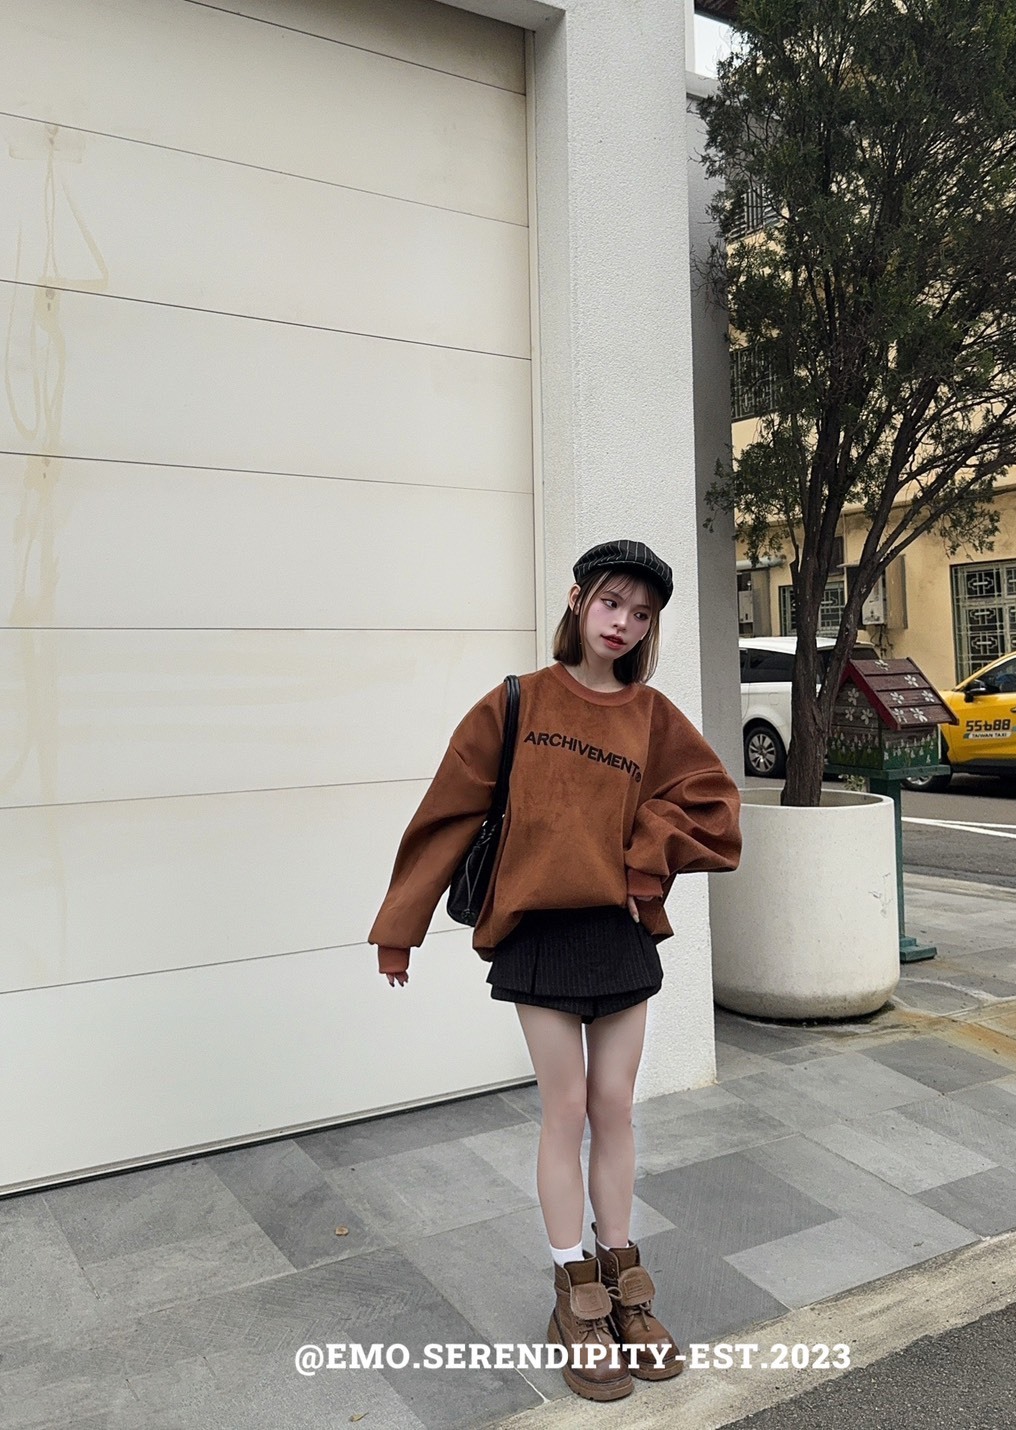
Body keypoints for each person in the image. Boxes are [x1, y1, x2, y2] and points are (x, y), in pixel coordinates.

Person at [367, 540, 742, 1402]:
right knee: (565, 1109)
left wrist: (647, 859)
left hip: (618, 935)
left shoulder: (652, 715)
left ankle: (623, 1278)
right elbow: (447, 812)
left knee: (615, 1108)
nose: (624, 623)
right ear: (577, 601)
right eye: (612, 603)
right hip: (538, 935)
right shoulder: (517, 702)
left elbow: (712, 804)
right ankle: (575, 1291)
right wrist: (400, 928)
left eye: (641, 614)